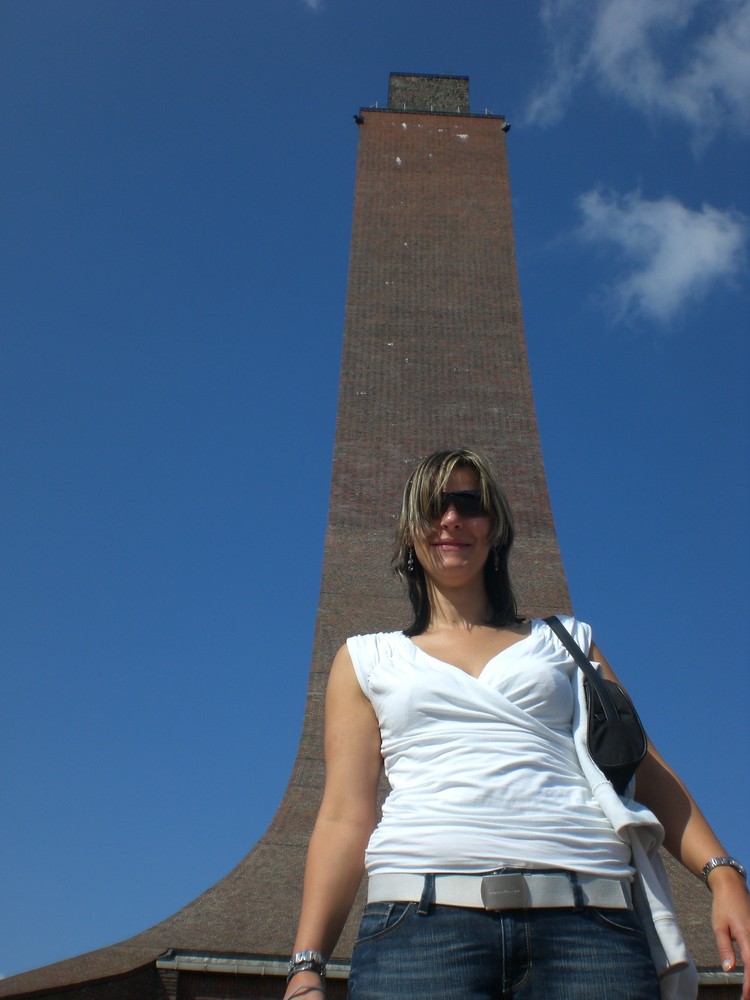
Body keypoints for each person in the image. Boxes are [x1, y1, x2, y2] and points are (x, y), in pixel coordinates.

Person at [283, 447, 750, 1000]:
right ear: (409, 531)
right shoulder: (366, 659)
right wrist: (306, 965)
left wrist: (723, 875)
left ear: (495, 527)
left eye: (468, 504)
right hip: (419, 928)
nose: (451, 519)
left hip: (589, 929)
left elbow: (641, 767)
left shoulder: (566, 642)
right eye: (434, 505)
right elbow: (343, 815)